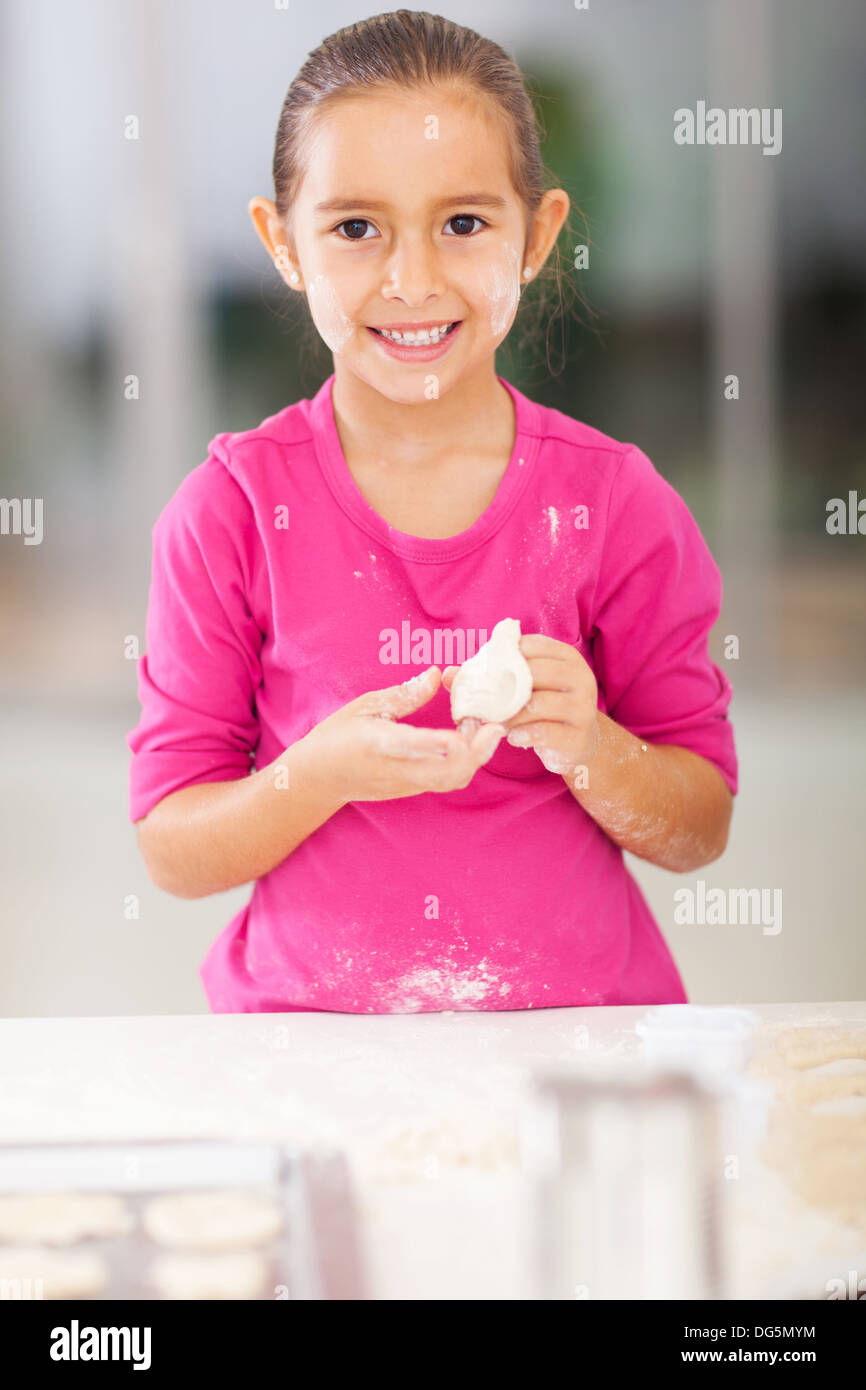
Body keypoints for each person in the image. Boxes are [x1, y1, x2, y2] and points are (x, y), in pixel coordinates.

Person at [128, 10, 737, 1014]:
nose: (411, 282)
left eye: (462, 224)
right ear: (282, 243)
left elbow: (697, 823)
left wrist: (592, 744)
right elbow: (171, 847)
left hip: (575, 1055)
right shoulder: (228, 514)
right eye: (354, 227)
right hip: (309, 1054)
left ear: (535, 235)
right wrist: (313, 774)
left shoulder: (613, 504)